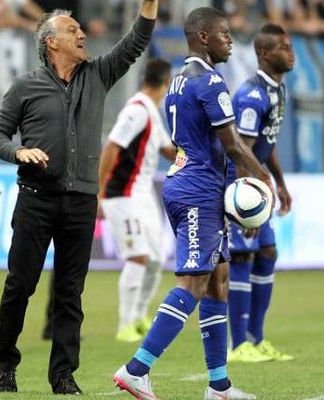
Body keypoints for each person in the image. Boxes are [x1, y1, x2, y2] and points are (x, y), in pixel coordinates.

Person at [0, 0, 158, 395]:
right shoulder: (25, 85)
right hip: (36, 198)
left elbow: (135, 42)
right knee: (20, 286)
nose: (82, 34)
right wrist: (18, 152)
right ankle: (4, 366)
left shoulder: (98, 74)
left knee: (70, 294)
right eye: (72, 30)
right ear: (51, 43)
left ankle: (63, 375)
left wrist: (148, 7)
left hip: (81, 202)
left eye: (81, 29)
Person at [112, 7, 274, 400]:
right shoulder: (211, 82)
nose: (230, 39)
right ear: (203, 37)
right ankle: (137, 369)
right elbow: (232, 145)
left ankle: (218, 386)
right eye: (224, 33)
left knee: (218, 282)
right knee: (193, 283)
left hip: (189, 184)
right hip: (200, 191)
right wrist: (262, 181)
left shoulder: (178, 81)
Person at [227, 23, 295, 363]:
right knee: (242, 256)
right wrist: (247, 207)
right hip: (242, 185)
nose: (291, 53)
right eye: (284, 48)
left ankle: (256, 339)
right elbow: (243, 152)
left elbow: (268, 143)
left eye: (292, 47)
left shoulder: (277, 91)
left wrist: (280, 182)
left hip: (261, 181)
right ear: (264, 54)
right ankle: (238, 345)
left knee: (267, 251)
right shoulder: (251, 96)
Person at [97, 58, 176, 343]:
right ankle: (125, 324)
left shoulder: (152, 113)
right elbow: (111, 147)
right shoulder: (136, 110)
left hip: (143, 196)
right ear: (165, 83)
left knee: (155, 258)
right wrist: (99, 191)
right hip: (123, 195)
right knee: (138, 257)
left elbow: (169, 150)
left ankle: (141, 315)